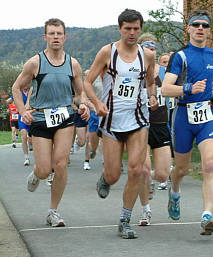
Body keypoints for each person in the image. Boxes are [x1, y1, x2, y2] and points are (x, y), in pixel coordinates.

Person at [84, 9, 157, 239]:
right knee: (115, 174)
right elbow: (87, 82)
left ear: (141, 29)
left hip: (138, 118)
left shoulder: (147, 55)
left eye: (136, 28)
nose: (132, 33)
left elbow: (150, 81)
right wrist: (96, 102)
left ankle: (125, 220)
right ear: (120, 29)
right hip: (112, 120)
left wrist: (153, 96)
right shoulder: (108, 52)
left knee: (136, 169)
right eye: (128, 29)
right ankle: (106, 178)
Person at [12, 18, 89, 227]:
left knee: (61, 164)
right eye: (52, 33)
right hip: (39, 118)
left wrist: (83, 106)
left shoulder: (73, 64)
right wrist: (22, 112)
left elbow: (79, 93)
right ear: (45, 37)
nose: (56, 37)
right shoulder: (35, 62)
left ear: (65, 37)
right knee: (45, 169)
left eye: (59, 34)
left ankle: (53, 211)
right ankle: (38, 173)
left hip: (65, 118)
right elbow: (16, 88)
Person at [161, 10, 213, 236]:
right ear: (188, 29)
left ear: (209, 31)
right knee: (182, 168)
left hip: (207, 115)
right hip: (183, 116)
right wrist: (188, 88)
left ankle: (207, 215)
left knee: (210, 165)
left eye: (205, 25)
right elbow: (165, 89)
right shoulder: (180, 56)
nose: (200, 28)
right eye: (196, 24)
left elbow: (211, 81)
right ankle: (175, 192)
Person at [137, 33, 171, 226]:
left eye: (153, 47)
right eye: (147, 46)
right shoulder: (135, 71)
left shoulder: (165, 72)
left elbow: (177, 87)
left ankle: (148, 179)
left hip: (160, 124)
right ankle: (145, 210)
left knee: (162, 174)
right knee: (143, 168)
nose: (151, 50)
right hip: (140, 124)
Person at [1, 87, 33, 162]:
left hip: (32, 117)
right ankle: (26, 158)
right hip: (22, 117)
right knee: (24, 135)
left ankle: (31, 144)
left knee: (32, 139)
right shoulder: (17, 93)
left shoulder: (33, 91)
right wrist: (3, 99)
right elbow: (7, 102)